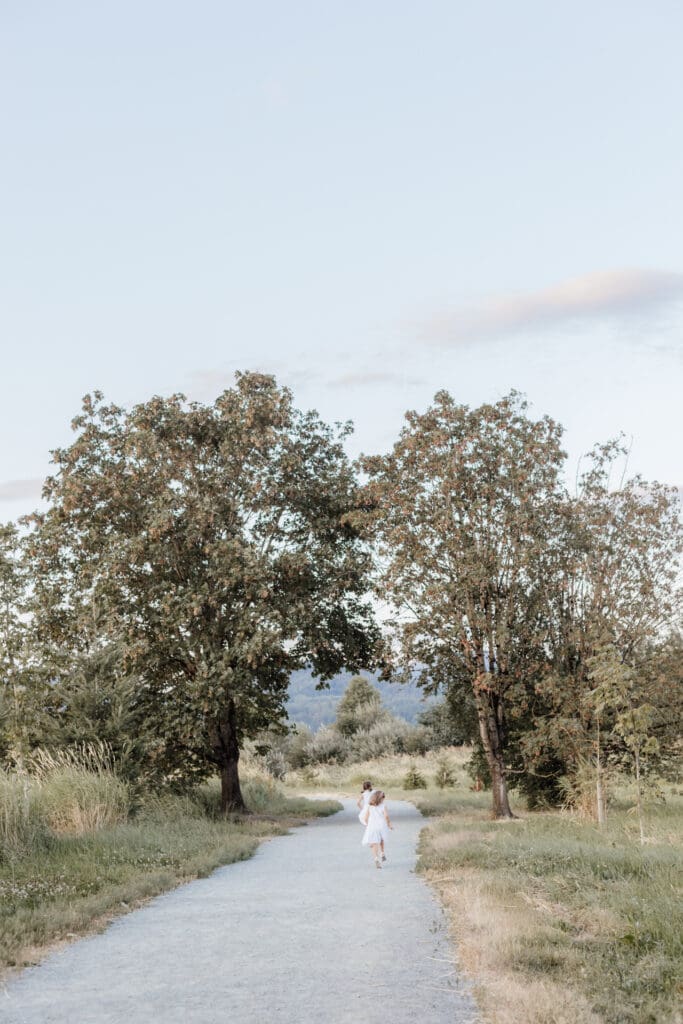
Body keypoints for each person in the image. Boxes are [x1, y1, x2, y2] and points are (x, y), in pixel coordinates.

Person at [361, 790, 393, 869]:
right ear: (380, 798)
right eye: (383, 797)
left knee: (374, 842)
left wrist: (368, 825)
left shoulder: (370, 806)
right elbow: (386, 816)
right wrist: (389, 824)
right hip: (381, 825)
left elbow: (365, 818)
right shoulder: (383, 806)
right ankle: (382, 853)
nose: (384, 799)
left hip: (373, 826)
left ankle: (376, 859)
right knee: (381, 839)